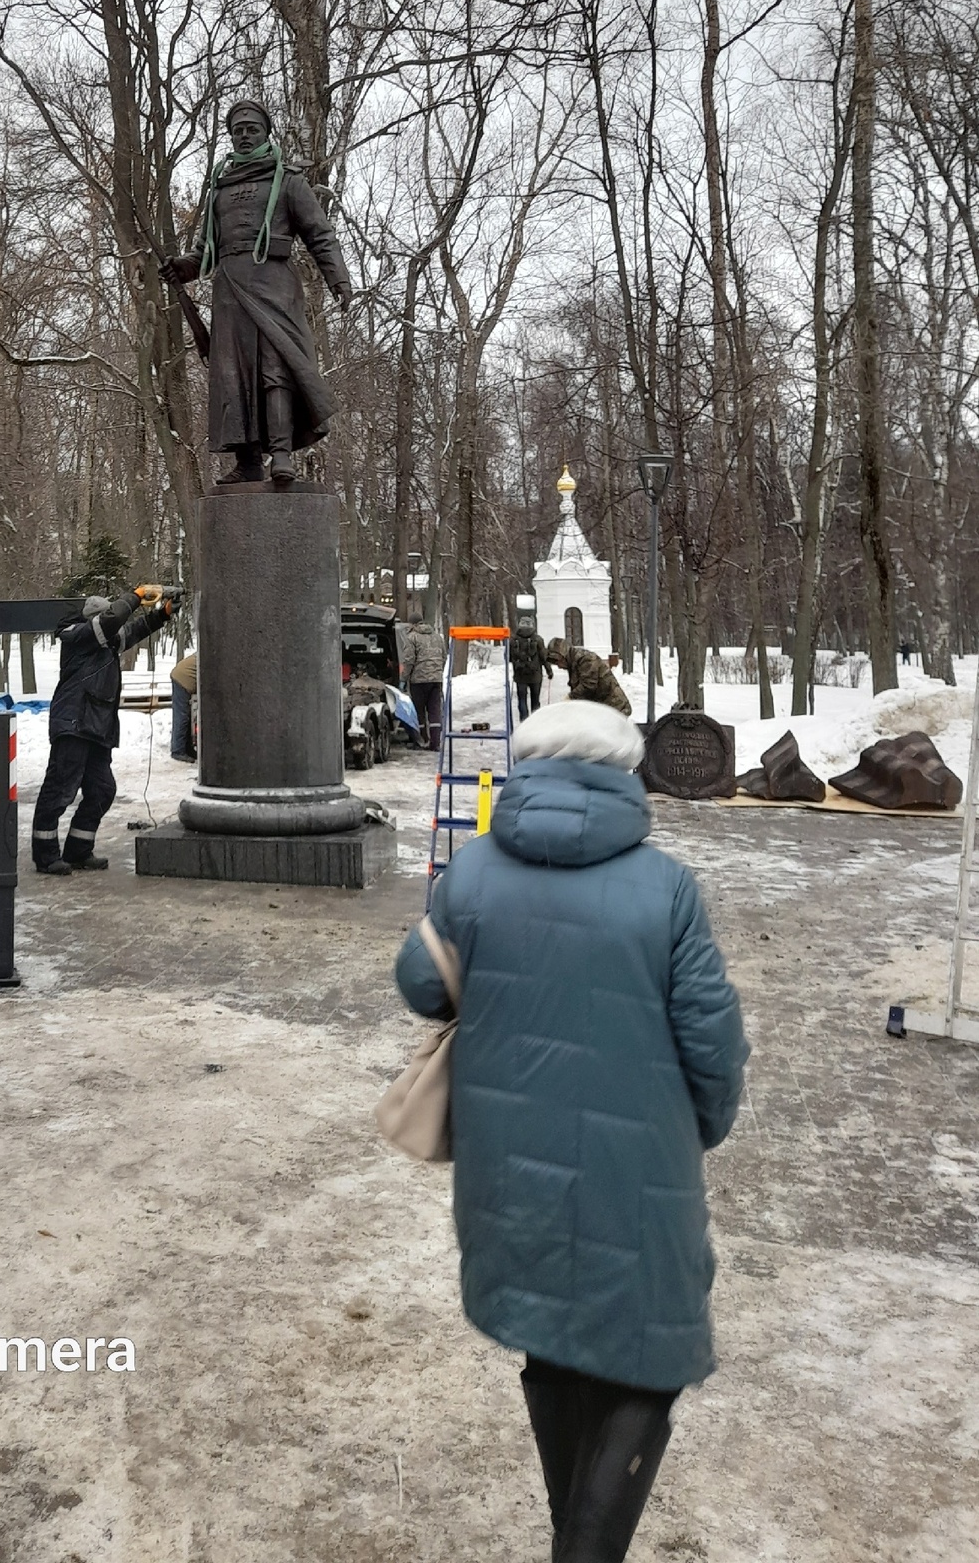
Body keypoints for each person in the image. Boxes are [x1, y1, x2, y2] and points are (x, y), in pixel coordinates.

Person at [394, 700, 747, 1562]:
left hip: (507, 1168)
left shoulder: (473, 872)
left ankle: (571, 1541)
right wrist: (690, 1132)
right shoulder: (664, 887)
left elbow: (418, 984)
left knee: (551, 1342)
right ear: (625, 774)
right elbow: (714, 1046)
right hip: (640, 1166)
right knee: (648, 1361)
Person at [166, 100, 352, 484]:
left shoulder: (288, 181)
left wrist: (339, 279)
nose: (245, 136)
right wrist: (180, 268)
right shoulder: (219, 190)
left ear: (266, 133)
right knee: (232, 376)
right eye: (238, 131)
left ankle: (281, 454)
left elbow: (320, 235)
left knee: (276, 369)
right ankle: (248, 460)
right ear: (231, 137)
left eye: (252, 129)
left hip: (275, 288)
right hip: (230, 292)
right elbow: (206, 252)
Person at [30, 585, 175, 874]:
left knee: (102, 790)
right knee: (60, 789)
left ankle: (78, 851)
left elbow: (134, 630)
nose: (115, 628)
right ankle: (45, 856)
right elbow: (112, 622)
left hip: (97, 728)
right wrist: (136, 595)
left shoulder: (106, 641)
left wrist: (163, 615)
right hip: (74, 722)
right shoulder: (79, 637)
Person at [546, 635, 631, 715]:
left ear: (564, 656)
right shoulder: (573, 662)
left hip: (614, 707)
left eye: (558, 661)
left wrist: (570, 697)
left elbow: (588, 686)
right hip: (601, 708)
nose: (559, 666)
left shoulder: (586, 659)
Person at [402, 611, 447, 750]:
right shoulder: (437, 637)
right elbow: (444, 657)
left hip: (419, 680)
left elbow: (409, 660)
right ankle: (435, 743)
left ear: (413, 624)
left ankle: (421, 741)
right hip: (436, 680)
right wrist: (437, 671)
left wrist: (404, 678)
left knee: (419, 711)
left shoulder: (412, 637)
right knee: (434, 711)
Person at [510, 615, 546, 721]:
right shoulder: (538, 639)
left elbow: (508, 657)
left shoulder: (513, 640)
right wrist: (549, 671)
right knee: (535, 700)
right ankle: (534, 723)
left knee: (522, 700)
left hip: (520, 675)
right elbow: (543, 656)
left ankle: (524, 722)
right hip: (536, 675)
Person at [169, 647, 197, 763]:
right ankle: (178, 750)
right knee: (182, 716)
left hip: (181, 675)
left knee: (187, 716)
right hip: (182, 680)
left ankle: (187, 749)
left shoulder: (209, 652)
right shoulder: (212, 656)